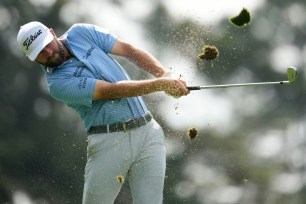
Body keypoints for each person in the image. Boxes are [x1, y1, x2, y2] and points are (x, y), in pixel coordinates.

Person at [17, 21, 190, 204]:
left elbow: (128, 50)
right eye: (40, 53)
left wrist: (165, 76)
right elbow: (112, 91)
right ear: (32, 58)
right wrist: (160, 85)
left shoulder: (80, 32)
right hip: (109, 142)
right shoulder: (57, 84)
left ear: (52, 33)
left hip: (148, 133)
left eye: (47, 45)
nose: (48, 53)